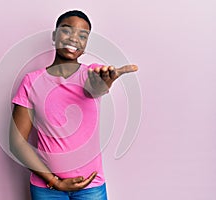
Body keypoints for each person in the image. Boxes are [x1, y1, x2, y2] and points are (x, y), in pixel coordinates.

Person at [9, 10, 138, 200]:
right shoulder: (31, 81)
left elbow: (95, 87)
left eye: (82, 35)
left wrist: (104, 82)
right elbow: (17, 142)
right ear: (54, 36)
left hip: (91, 187)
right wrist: (55, 182)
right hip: (47, 189)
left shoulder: (92, 74)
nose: (74, 38)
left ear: (85, 45)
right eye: (67, 31)